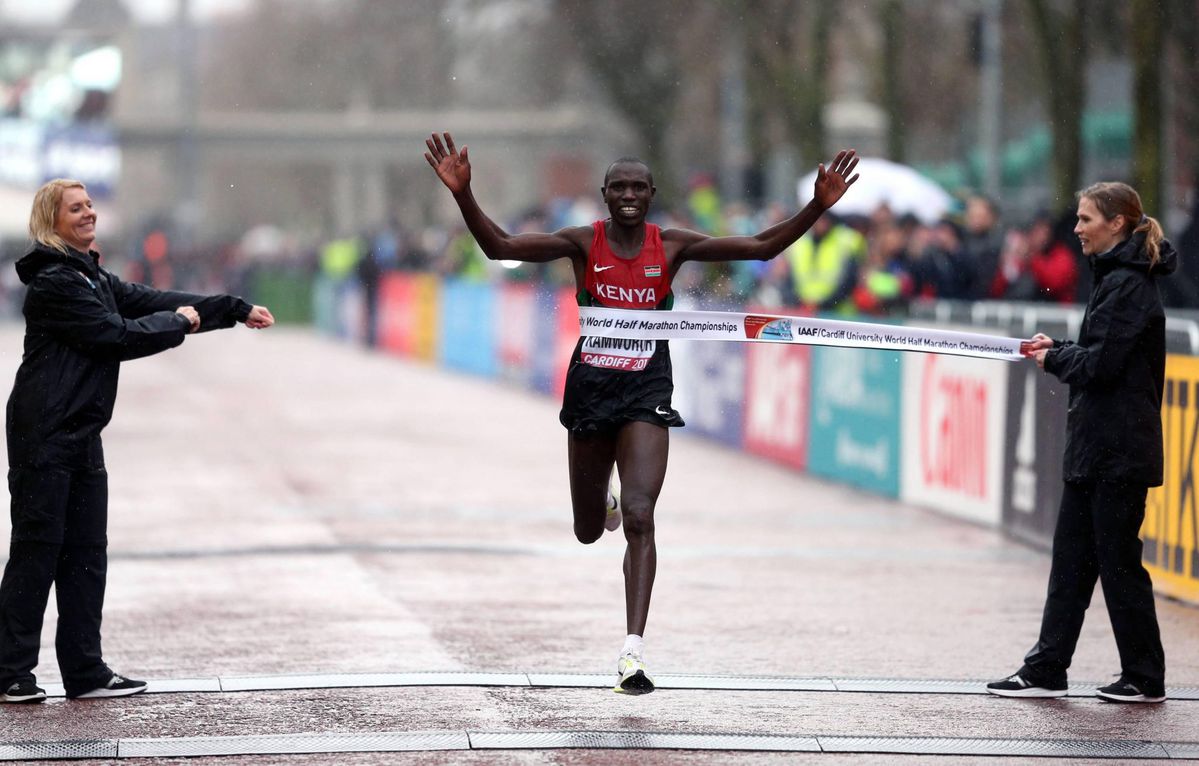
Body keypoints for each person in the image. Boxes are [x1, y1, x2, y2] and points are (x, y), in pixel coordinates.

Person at [425, 131, 858, 694]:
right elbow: (502, 247)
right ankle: (598, 497)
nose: (629, 194)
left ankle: (632, 653)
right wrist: (464, 195)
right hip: (591, 391)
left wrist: (815, 208)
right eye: (619, 187)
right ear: (605, 195)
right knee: (588, 530)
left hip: (646, 391)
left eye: (638, 187)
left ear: (651, 194)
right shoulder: (584, 242)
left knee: (641, 514)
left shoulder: (671, 246)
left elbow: (759, 247)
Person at [0, 179, 275, 703]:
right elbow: (114, 335)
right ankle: (9, 672)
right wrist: (176, 325)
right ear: (50, 221)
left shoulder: (92, 277)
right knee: (37, 553)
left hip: (81, 433)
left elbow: (153, 298)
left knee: (86, 555)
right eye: (75, 208)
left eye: (89, 205)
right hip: (43, 436)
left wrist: (231, 309)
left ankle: (84, 671)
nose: (88, 213)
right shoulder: (55, 284)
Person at [987, 181, 1175, 704]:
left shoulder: (1130, 285)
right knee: (1072, 563)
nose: (1076, 229)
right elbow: (1099, 353)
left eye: (1086, 219)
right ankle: (1047, 667)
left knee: (1117, 566)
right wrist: (1062, 349)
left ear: (1116, 224)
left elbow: (1103, 366)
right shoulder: (1117, 278)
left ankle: (1144, 676)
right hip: (1097, 448)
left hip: (1118, 452)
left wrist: (1056, 359)